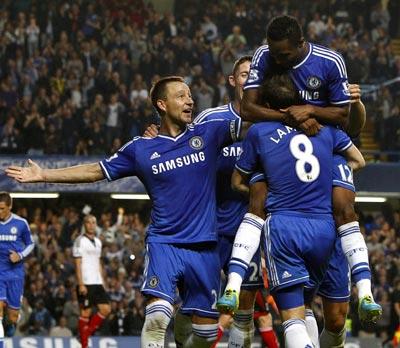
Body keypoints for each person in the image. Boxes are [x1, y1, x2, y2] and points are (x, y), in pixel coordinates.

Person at [6, 75, 242, 348]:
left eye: (190, 95)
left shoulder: (208, 133)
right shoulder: (140, 148)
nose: (190, 100)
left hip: (205, 246)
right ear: (162, 104)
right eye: (181, 95)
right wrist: (43, 173)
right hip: (165, 243)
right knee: (156, 319)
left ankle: (183, 329)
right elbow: (96, 170)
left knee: (206, 335)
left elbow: (252, 124)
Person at [227, 14, 380, 345]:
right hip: (285, 149)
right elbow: (249, 109)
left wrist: (310, 114)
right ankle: (236, 282)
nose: (275, 60)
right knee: (260, 200)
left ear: (300, 44)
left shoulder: (329, 60)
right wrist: (291, 118)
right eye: (272, 53)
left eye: (283, 55)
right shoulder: (263, 56)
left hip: (326, 143)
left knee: (342, 207)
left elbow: (343, 115)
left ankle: (363, 288)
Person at [0, 192, 34, 348]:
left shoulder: (21, 223)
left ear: (10, 207)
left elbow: (31, 244)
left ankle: (11, 323)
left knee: (12, 318)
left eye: (1, 208)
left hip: (15, 275)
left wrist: (20, 255)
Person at [73, 214, 111, 348]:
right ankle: (84, 344)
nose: (91, 225)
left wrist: (103, 281)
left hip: (97, 281)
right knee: (85, 313)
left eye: (93, 222)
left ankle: (84, 334)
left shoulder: (99, 242)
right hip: (86, 282)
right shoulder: (79, 241)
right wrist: (81, 283)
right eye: (88, 222)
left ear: (96, 225)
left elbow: (98, 262)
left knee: (106, 309)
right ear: (85, 224)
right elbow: (77, 263)